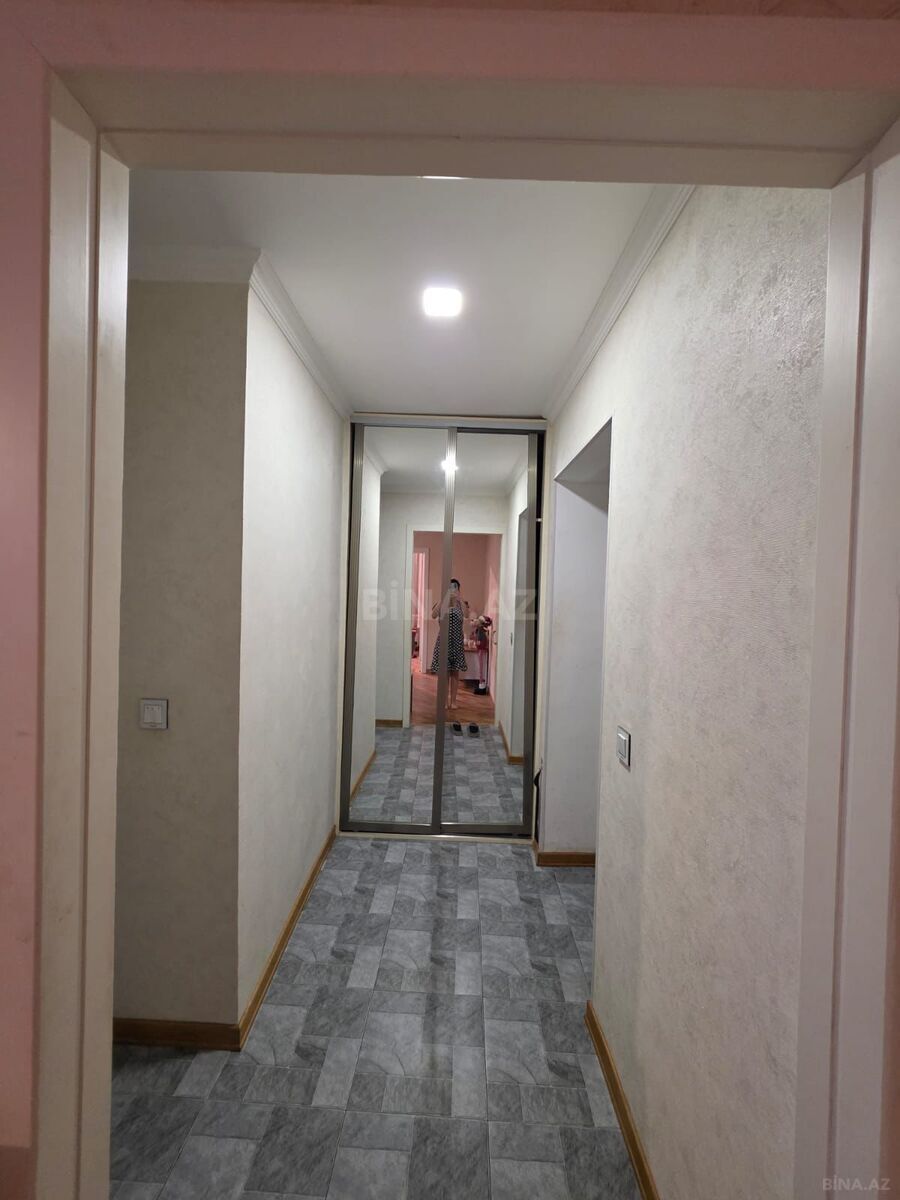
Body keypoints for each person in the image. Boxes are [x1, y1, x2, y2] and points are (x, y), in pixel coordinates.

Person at [430, 578, 468, 711]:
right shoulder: (441, 603)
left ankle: (453, 701)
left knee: (455, 673)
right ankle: (445, 701)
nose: (452, 589)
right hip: (443, 642)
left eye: (455, 587)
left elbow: (467, 615)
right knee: (444, 673)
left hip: (457, 642)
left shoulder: (460, 604)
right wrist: (443, 599)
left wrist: (459, 598)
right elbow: (433, 615)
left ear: (458, 589)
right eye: (450, 587)